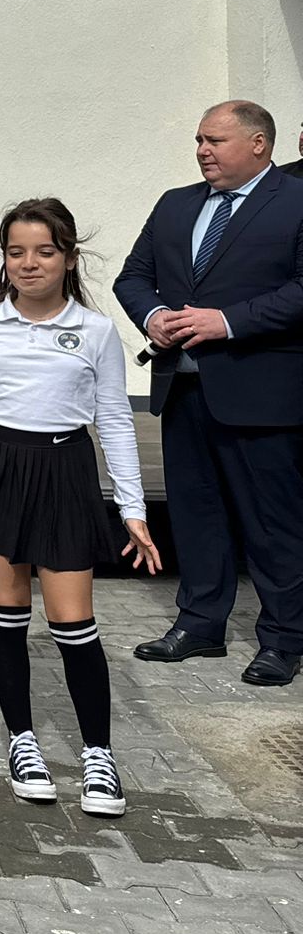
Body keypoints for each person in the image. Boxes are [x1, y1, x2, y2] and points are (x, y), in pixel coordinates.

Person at [0, 198, 159, 815]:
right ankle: (22, 740)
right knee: (7, 613)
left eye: (45, 251)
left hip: (64, 472)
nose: (29, 263)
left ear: (68, 258)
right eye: (16, 252)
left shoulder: (96, 331)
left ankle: (98, 753)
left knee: (74, 623)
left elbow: (114, 420)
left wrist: (132, 508)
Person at [114, 100, 303, 686]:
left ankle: (284, 639)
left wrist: (228, 321)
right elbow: (132, 277)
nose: (202, 151)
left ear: (258, 144)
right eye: (199, 140)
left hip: (262, 394)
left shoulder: (295, 201)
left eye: (214, 140)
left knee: (271, 523)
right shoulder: (176, 204)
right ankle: (199, 624)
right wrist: (153, 317)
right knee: (197, 514)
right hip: (183, 387)